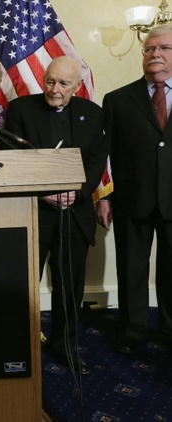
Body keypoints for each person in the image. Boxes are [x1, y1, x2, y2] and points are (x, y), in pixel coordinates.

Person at [4, 56, 108, 375]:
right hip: (33, 211)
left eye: (64, 84)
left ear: (77, 87)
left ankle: (65, 344)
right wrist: (43, 192)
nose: (55, 89)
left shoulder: (93, 114)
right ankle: (18, 345)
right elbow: (13, 158)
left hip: (74, 213)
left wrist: (76, 192)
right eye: (50, 81)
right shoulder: (21, 109)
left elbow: (95, 162)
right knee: (23, 283)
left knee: (69, 285)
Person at [99, 24, 172, 355]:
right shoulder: (116, 100)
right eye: (148, 49)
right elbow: (106, 155)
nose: (154, 54)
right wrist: (104, 196)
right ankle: (133, 330)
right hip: (132, 198)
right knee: (131, 269)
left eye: (164, 48)